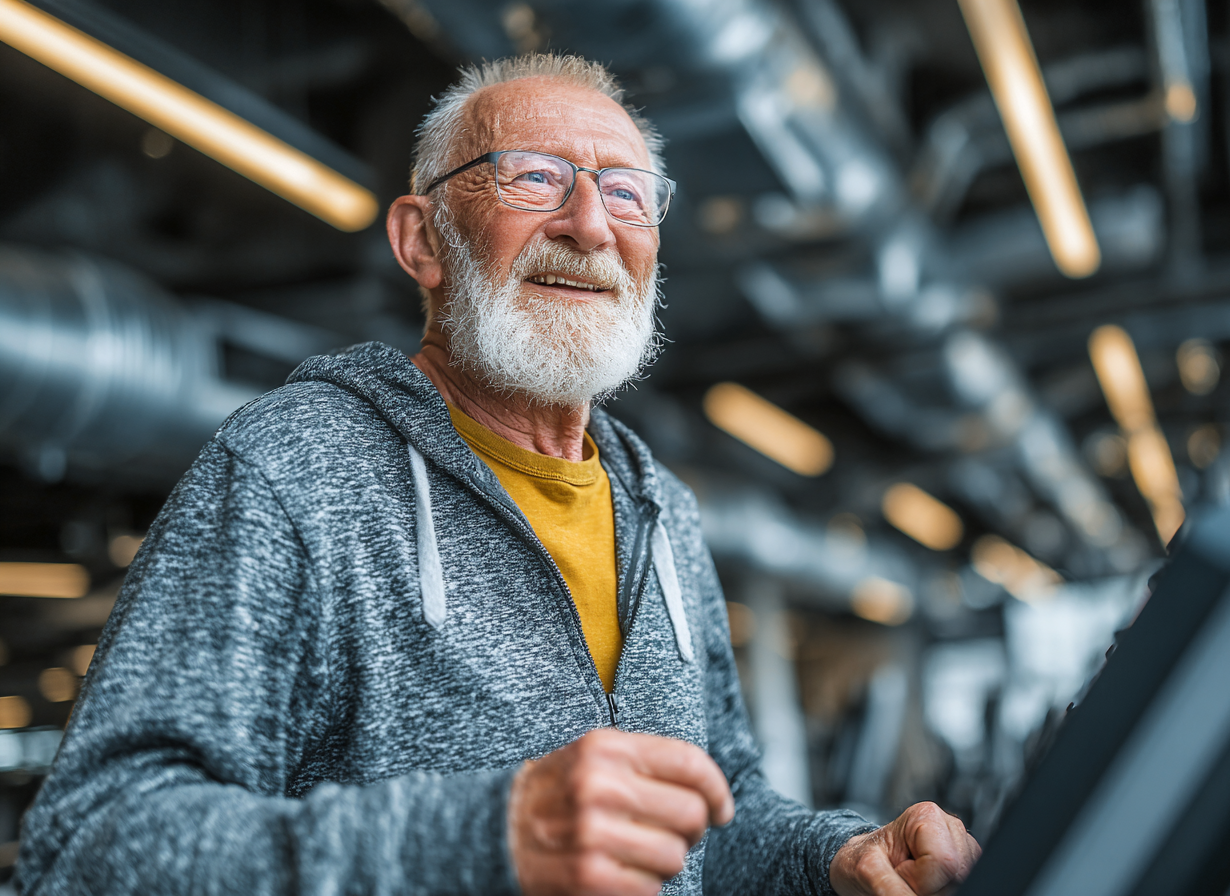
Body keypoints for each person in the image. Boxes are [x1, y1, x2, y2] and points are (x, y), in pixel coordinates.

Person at [16, 54, 979, 896]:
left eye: (628, 190)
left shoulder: (660, 511)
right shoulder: (292, 470)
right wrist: (481, 839)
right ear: (422, 241)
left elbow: (707, 822)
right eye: (534, 179)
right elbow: (94, 845)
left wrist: (835, 857)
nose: (591, 224)